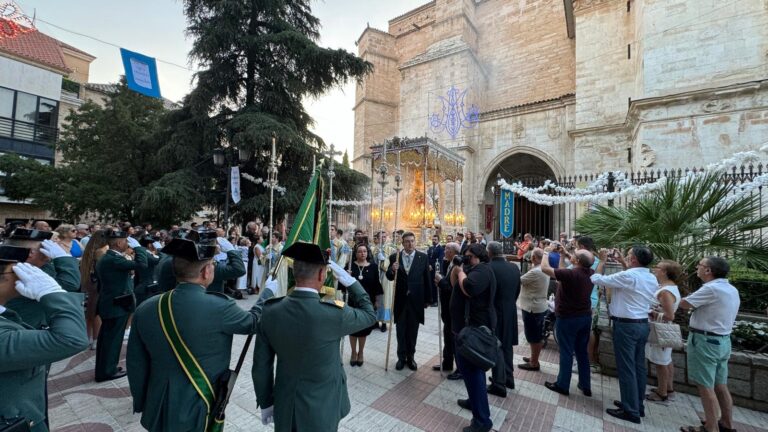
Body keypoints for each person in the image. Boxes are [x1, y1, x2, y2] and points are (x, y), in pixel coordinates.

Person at [127, 237, 275, 432]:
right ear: (206, 271)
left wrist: (141, 401)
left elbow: (136, 363)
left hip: (158, 403)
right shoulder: (219, 306)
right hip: (200, 404)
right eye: (213, 264)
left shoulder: (146, 308)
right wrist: (267, 293)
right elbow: (253, 323)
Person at [252, 242, 377, 432]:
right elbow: (369, 315)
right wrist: (350, 281)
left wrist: (266, 403)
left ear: (294, 273)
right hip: (323, 408)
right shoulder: (334, 314)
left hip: (286, 404)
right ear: (322, 275)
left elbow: (261, 366)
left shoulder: (270, 311)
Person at [0, 261, 89, 432]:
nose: (25, 276)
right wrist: (53, 293)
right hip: (13, 421)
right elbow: (72, 339)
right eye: (17, 271)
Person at [591, 245, 657, 424]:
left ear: (634, 259)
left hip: (627, 326)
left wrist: (603, 261)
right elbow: (632, 277)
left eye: (628, 255)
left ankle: (630, 410)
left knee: (627, 367)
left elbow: (596, 278)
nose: (626, 257)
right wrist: (621, 261)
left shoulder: (628, 276)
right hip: (641, 323)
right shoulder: (650, 276)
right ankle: (636, 404)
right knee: (638, 366)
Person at [678, 257, 740, 432]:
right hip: (722, 341)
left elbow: (684, 304)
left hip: (705, 341)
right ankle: (726, 424)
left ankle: (711, 427)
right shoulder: (730, 288)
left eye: (701, 265)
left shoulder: (711, 289)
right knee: (720, 385)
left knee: (705, 386)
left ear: (708, 271)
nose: (697, 267)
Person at [94, 230, 148, 382]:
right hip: (116, 305)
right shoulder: (114, 259)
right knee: (112, 340)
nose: (127, 244)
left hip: (112, 303)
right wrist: (139, 248)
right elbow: (142, 265)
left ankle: (106, 368)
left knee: (109, 339)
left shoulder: (109, 257)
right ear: (118, 243)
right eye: (125, 241)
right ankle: (106, 371)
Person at [541, 247, 595, 397]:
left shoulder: (571, 273)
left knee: (566, 351)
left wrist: (546, 251)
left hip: (568, 318)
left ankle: (562, 384)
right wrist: (563, 256)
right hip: (585, 317)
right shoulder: (590, 273)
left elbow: (545, 268)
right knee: (582, 352)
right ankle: (585, 385)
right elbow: (562, 274)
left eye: (574, 255)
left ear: (576, 261)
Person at [454, 243, 496, 432]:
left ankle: (482, 421)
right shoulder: (479, 269)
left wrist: (461, 272)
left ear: (479, 257)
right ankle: (473, 402)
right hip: (469, 326)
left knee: (473, 371)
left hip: (476, 329)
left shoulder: (482, 271)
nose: (466, 260)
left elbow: (469, 288)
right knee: (469, 370)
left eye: (469, 257)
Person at [4, 228, 81, 329]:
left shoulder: (38, 266)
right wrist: (63, 257)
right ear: (31, 252)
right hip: (22, 330)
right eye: (45, 247)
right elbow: (70, 284)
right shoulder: (19, 271)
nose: (52, 249)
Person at [386, 231, 432, 370]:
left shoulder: (422, 257)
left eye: (412, 241)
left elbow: (426, 279)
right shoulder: (395, 256)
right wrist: (392, 270)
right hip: (400, 299)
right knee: (401, 330)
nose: (410, 244)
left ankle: (411, 357)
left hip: (415, 300)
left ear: (415, 241)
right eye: (407, 241)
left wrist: (428, 299)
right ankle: (401, 357)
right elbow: (389, 276)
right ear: (402, 243)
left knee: (413, 331)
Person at [645, 259, 683, 403]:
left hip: (661, 329)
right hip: (663, 328)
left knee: (661, 362)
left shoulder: (666, 291)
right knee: (666, 360)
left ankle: (662, 392)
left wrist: (653, 312)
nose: (655, 269)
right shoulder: (668, 287)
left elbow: (669, 315)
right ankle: (668, 388)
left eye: (658, 267)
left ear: (665, 272)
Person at [486, 241, 520, 397]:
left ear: (489, 253)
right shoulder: (514, 268)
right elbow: (517, 291)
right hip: (510, 310)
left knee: (497, 345)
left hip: (495, 312)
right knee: (507, 345)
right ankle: (508, 377)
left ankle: (499, 383)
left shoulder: (489, 268)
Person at [347, 243, 383, 366]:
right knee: (352, 329)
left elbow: (377, 285)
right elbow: (343, 285)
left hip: (368, 303)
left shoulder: (373, 267)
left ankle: (361, 353)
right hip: (352, 302)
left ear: (368, 253)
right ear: (355, 254)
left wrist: (377, 302)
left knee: (363, 329)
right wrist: (346, 274)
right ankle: (353, 352)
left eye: (364, 251)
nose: (362, 253)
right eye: (360, 251)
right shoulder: (351, 266)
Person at [432, 242, 462, 379]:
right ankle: (447, 362)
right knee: (448, 337)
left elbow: (455, 289)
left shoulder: (458, 266)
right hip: (447, 309)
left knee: (454, 338)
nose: (444, 251)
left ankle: (460, 368)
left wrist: (441, 281)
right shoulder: (449, 263)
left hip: (453, 309)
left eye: (447, 249)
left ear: (454, 252)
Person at [518, 248, 550, 371]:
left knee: (534, 337)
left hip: (532, 308)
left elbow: (519, 280)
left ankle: (534, 362)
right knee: (535, 336)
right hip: (538, 306)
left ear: (534, 258)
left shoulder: (536, 271)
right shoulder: (544, 268)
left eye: (531, 256)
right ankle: (533, 358)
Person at [80, 229, 109, 350]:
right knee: (97, 313)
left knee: (89, 312)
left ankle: (87, 338)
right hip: (98, 284)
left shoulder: (88, 251)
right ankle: (96, 339)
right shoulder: (101, 252)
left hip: (88, 283)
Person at [373, 231, 396, 332]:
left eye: (384, 236)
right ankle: (375, 321)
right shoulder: (373, 249)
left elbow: (392, 264)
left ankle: (384, 322)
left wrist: (384, 260)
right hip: (375, 276)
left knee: (385, 298)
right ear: (377, 238)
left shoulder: (391, 249)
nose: (383, 238)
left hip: (386, 277)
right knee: (375, 297)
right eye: (380, 237)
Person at [133, 235, 161, 306]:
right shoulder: (146, 254)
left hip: (147, 285)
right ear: (149, 245)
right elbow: (158, 260)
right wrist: (159, 249)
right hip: (145, 287)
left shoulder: (145, 253)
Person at [427, 234, 445, 307]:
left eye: (435, 240)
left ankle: (436, 301)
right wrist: (428, 265)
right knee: (430, 284)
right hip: (430, 268)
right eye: (433, 239)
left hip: (436, 269)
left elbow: (440, 259)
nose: (434, 241)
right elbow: (427, 257)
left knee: (435, 285)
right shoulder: (430, 248)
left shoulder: (441, 249)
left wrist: (435, 267)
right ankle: (430, 299)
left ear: (438, 240)